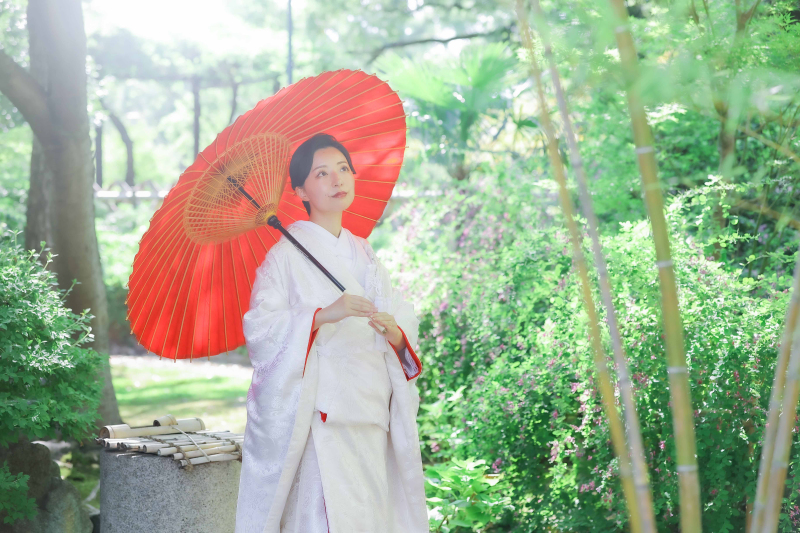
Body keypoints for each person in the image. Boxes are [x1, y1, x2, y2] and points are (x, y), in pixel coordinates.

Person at [234, 133, 429, 533]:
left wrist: (394, 332)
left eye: (343, 168)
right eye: (322, 173)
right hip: (323, 414)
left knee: (371, 517)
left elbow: (401, 318)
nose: (337, 179)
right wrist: (321, 315)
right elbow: (261, 328)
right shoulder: (284, 257)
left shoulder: (366, 253)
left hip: (370, 409)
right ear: (301, 189)